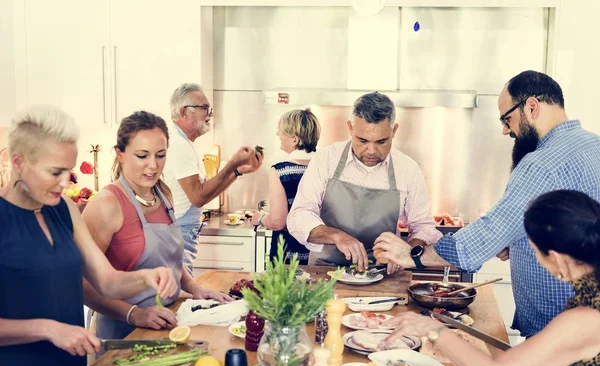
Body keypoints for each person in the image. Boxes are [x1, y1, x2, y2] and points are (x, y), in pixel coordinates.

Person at [373, 71, 600, 340]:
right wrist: (516, 239)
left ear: (532, 106)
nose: (506, 130)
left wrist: (413, 256)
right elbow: (576, 226)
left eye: (507, 119)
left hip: (557, 332)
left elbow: (479, 240)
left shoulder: (540, 164)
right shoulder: (593, 145)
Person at [0, 105, 176, 366]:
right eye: (55, 172)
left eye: (68, 172)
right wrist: (48, 329)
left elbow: (106, 280)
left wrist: (148, 277)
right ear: (18, 162)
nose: (65, 182)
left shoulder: (63, 208)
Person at [381, 190, 600, 366]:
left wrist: (434, 329)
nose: (534, 259)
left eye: (533, 251)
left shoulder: (585, 319)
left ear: (557, 259)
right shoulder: (588, 296)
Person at [82, 111, 233, 340]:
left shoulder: (163, 193)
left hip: (166, 322)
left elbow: (167, 257)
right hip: (124, 335)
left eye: (160, 155)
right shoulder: (107, 204)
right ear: (120, 154)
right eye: (142, 156)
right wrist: (135, 314)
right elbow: (82, 284)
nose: (153, 166)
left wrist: (193, 287)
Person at [287, 91, 441, 273]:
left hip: (384, 274)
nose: (371, 150)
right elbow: (299, 216)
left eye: (381, 141)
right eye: (362, 140)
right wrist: (336, 236)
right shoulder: (326, 159)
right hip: (326, 273)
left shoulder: (408, 169)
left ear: (394, 130)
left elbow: (423, 226)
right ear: (350, 128)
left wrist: (407, 253)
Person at [162, 83, 264, 274]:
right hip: (178, 232)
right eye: (204, 108)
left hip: (183, 231)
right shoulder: (179, 145)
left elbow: (205, 192)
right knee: (177, 294)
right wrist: (232, 164)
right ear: (184, 112)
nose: (209, 113)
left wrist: (237, 171)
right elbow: (198, 197)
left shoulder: (185, 143)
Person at [251, 108, 320, 265]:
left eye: (281, 131)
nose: (278, 135)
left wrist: (260, 218)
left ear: (295, 140)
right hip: (318, 255)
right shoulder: (326, 167)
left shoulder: (280, 171)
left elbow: (278, 221)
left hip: (289, 255)